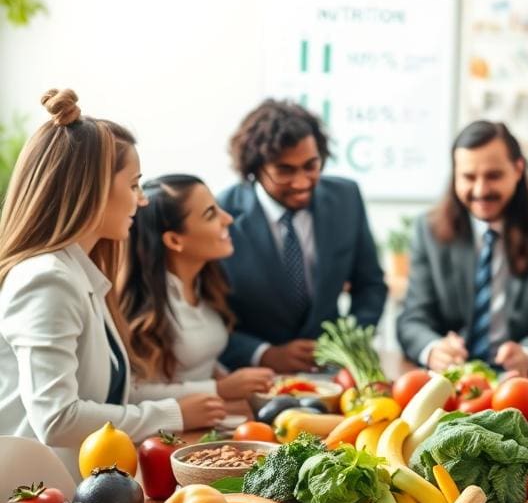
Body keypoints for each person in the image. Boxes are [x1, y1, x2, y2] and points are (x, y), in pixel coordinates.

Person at [0, 89, 226, 478]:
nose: (141, 201)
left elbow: (109, 397)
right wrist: (171, 414)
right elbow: (57, 417)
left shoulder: (78, 273)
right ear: (93, 188)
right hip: (38, 496)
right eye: (135, 185)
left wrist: (202, 396)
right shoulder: (48, 280)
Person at [397, 120, 528, 378]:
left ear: (518, 169)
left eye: (493, 176)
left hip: (520, 383)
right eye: (469, 177)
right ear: (455, 176)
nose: (481, 191)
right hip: (453, 379)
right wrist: (434, 349)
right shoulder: (428, 229)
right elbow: (412, 319)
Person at [218, 100, 387, 373]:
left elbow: (370, 285)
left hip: (333, 370)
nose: (301, 182)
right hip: (254, 375)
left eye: (311, 166)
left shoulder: (346, 198)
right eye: (285, 171)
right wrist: (263, 354)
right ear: (255, 169)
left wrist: (347, 344)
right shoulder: (222, 214)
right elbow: (205, 317)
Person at [121, 174, 276, 401]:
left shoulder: (204, 284)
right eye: (211, 214)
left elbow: (199, 365)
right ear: (175, 240)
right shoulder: (144, 306)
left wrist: (235, 381)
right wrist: (219, 389)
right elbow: (130, 393)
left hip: (209, 420)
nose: (228, 219)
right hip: (166, 432)